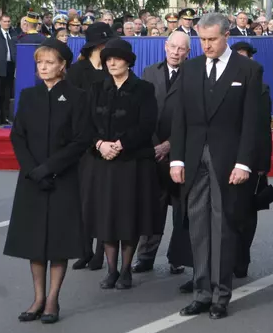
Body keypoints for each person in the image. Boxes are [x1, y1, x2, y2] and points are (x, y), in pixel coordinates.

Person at [169, 12, 263, 320]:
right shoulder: (191, 68)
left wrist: (244, 163)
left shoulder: (248, 70)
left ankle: (221, 295)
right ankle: (201, 293)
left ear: (226, 37)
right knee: (197, 227)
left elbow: (252, 121)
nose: (206, 45)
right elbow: (180, 117)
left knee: (223, 227)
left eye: (212, 39)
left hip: (228, 160)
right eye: (202, 40)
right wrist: (177, 159)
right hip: (194, 158)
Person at [5, 38, 88, 325]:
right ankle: (38, 298)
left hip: (62, 178)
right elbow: (18, 136)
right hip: (32, 180)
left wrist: (50, 168)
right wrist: (32, 170)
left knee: (58, 242)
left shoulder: (77, 97)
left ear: (62, 66)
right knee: (34, 242)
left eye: (49, 62)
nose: (43, 67)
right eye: (39, 62)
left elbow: (81, 140)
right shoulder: (29, 95)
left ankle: (53, 299)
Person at [81, 39, 160, 290]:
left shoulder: (143, 89)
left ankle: (126, 270)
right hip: (101, 163)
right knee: (106, 218)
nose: (112, 63)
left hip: (132, 163)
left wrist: (120, 144)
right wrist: (100, 144)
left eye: (117, 58)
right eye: (108, 59)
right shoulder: (96, 88)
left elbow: (147, 124)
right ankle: (111, 270)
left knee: (128, 217)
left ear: (128, 61)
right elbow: (85, 123)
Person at [134, 32, 192, 282]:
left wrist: (170, 145)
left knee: (181, 209)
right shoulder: (149, 72)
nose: (176, 52)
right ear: (165, 46)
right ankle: (145, 256)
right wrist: (156, 145)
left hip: (181, 151)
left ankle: (177, 257)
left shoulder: (195, 74)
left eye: (181, 49)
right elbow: (142, 111)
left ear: (188, 52)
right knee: (152, 206)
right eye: (173, 47)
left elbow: (194, 116)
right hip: (153, 150)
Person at [68, 22, 114, 272]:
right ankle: (84, 249)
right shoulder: (77, 71)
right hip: (83, 142)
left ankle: (99, 252)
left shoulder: (112, 69)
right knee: (82, 200)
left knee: (102, 201)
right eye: (105, 44)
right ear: (97, 46)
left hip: (107, 141)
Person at [229, 41, 273, 279]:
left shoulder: (261, 88)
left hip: (251, 159)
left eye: (246, 57)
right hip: (225, 156)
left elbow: (263, 128)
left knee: (246, 212)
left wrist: (263, 164)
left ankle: (241, 258)